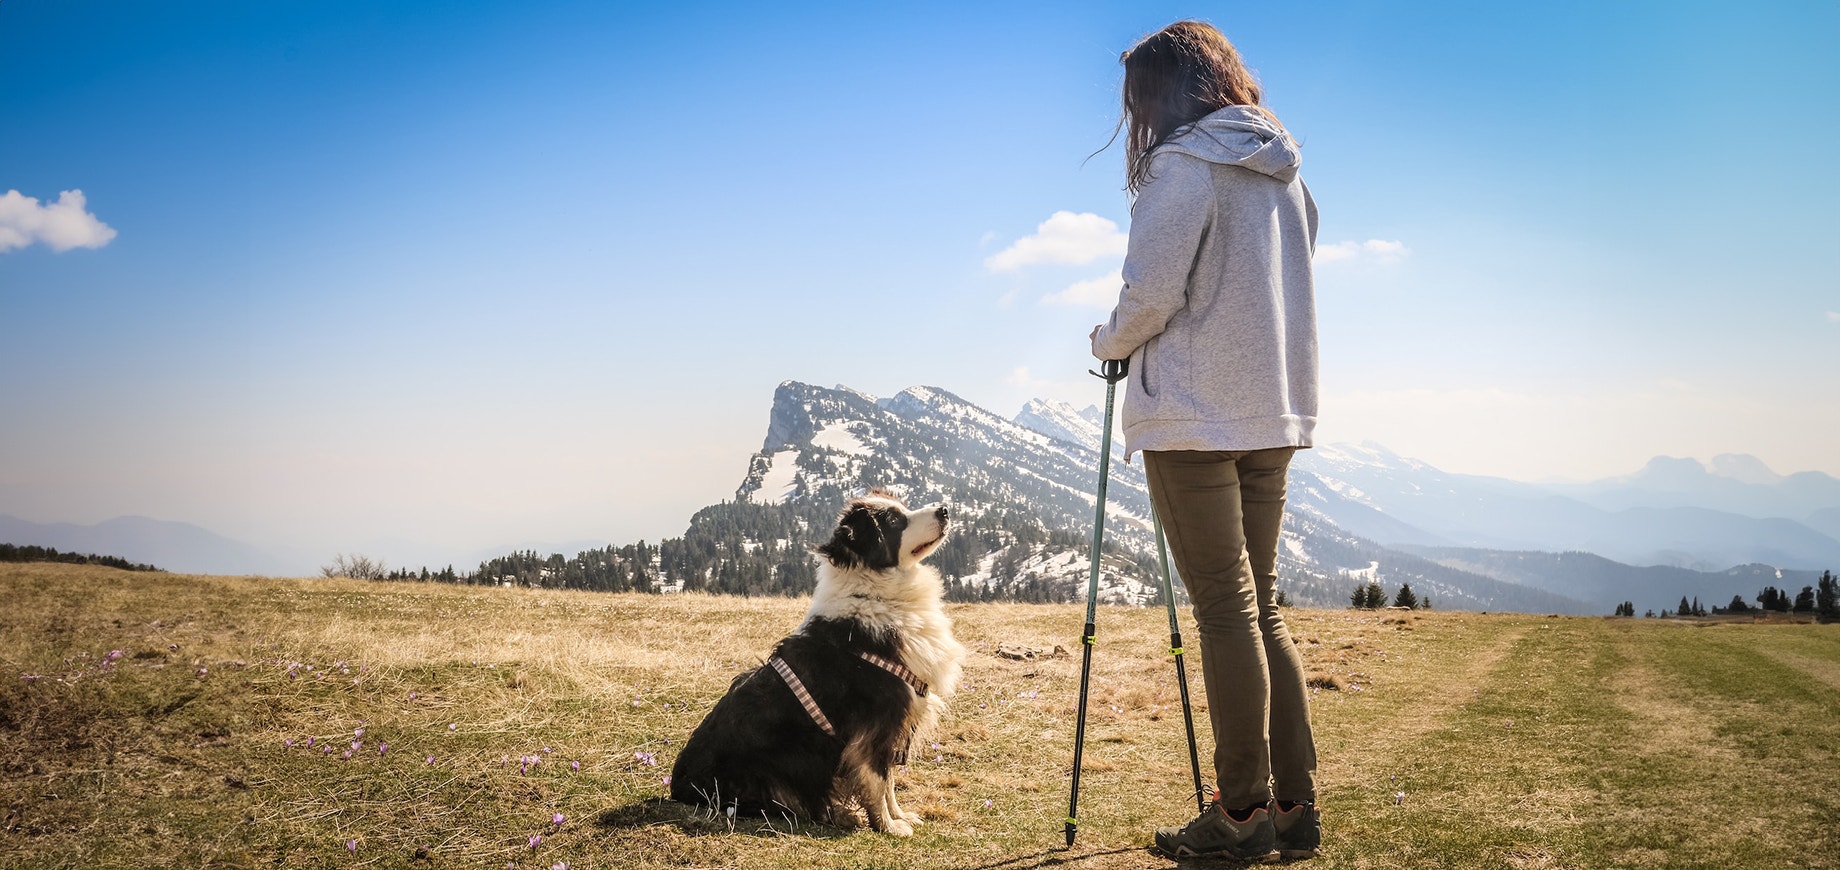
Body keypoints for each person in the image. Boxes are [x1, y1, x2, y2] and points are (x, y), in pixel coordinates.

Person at [1088, 20, 1321, 862]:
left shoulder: (1181, 168)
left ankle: (1240, 815)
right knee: (1260, 606)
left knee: (1225, 609)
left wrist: (1106, 342)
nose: (1136, 118)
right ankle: (1293, 809)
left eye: (1139, 100)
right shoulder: (1284, 171)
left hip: (1193, 415)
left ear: (1165, 93)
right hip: (1273, 409)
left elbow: (1151, 293)